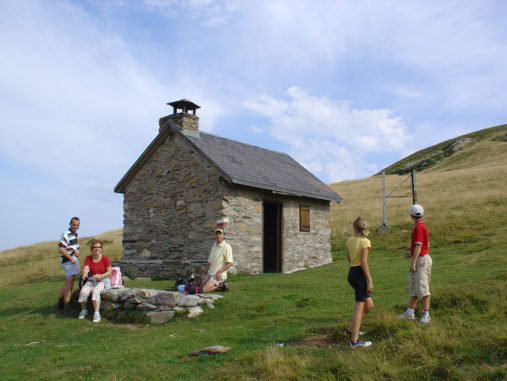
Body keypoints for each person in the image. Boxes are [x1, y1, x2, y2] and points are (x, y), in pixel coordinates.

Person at [399, 204, 432, 323]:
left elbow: (419, 245)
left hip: (422, 260)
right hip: (420, 257)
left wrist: (413, 262)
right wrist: (412, 254)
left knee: (423, 287)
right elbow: (424, 244)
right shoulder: (420, 226)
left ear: (411, 215)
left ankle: (426, 313)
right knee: (414, 287)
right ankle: (410, 311)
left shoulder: (418, 227)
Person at [345, 217, 374, 348]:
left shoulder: (349, 240)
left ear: (354, 228)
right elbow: (364, 263)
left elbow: (349, 258)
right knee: (359, 307)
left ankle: (351, 330)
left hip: (351, 272)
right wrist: (370, 280)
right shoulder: (365, 242)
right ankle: (354, 341)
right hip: (360, 275)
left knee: (369, 306)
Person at [77, 239, 112, 323]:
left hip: (103, 280)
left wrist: (101, 275)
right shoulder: (88, 258)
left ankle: (96, 313)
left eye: (99, 247)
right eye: (95, 247)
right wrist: (85, 274)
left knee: (95, 292)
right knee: (83, 292)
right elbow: (85, 268)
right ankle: (84, 310)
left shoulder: (105, 258)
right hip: (92, 279)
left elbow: (109, 272)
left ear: (101, 248)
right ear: (92, 249)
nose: (97, 249)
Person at [58, 217, 81, 314]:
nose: (76, 227)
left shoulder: (74, 234)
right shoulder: (66, 234)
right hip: (68, 261)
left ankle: (60, 303)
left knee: (68, 282)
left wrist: (76, 251)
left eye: (77, 225)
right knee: (70, 284)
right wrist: (71, 258)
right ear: (70, 224)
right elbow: (62, 248)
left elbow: (72, 247)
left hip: (72, 260)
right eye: (74, 225)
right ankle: (67, 307)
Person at [200, 228, 233, 293]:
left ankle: (221, 285)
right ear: (215, 236)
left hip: (218, 275)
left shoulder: (227, 247)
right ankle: (218, 285)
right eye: (217, 234)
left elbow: (230, 263)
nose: (218, 235)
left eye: (220, 234)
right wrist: (204, 273)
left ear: (223, 236)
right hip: (210, 274)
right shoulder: (214, 246)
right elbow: (209, 263)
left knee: (204, 290)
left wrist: (220, 271)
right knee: (200, 287)